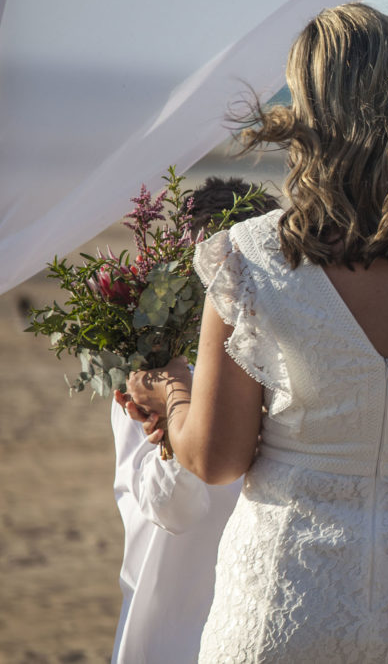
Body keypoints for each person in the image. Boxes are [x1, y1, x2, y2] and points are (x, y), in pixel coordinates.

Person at [123, 3, 388, 662]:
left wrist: (172, 395)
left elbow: (216, 458)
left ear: (306, 107)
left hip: (287, 601)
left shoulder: (249, 257)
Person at [109, 177, 279, 664]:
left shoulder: (288, 362)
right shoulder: (148, 371)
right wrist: (176, 398)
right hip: (174, 629)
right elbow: (171, 513)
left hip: (268, 622)